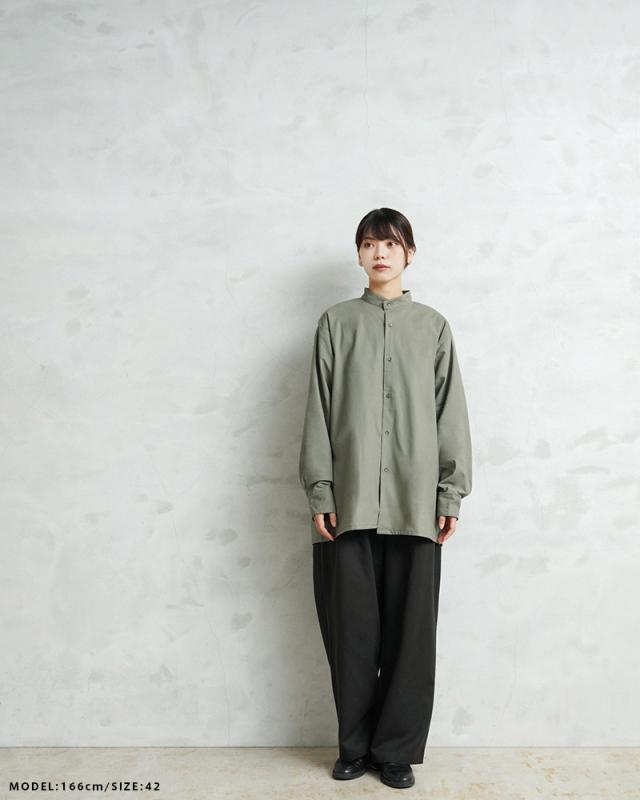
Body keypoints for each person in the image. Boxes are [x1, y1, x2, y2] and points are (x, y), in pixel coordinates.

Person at [298, 207, 473, 789]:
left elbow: (451, 414)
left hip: (415, 505)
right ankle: (353, 746)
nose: (380, 253)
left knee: (411, 636)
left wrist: (449, 494)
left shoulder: (433, 327)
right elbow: (318, 410)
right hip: (347, 505)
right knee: (351, 634)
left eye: (391, 244)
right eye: (370, 243)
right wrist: (321, 489)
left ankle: (395, 750)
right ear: (358, 253)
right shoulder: (335, 324)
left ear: (409, 254)